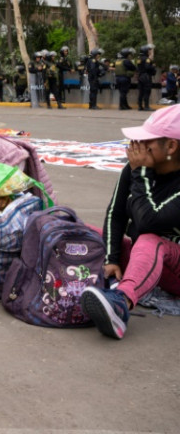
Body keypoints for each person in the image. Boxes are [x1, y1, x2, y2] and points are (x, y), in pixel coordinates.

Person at [81, 105, 180, 339]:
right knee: (83, 231)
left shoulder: (141, 171)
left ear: (171, 146)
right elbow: (115, 214)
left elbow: (148, 222)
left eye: (145, 141)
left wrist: (142, 175)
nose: (134, 146)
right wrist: (111, 258)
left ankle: (120, 302)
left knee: (148, 240)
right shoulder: (136, 169)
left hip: (174, 267)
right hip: (147, 261)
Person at [136, 45, 156, 111]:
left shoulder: (139, 59)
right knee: (147, 92)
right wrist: (153, 66)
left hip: (140, 76)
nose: (149, 52)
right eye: (149, 50)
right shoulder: (147, 59)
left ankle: (140, 106)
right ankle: (146, 106)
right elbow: (147, 67)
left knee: (141, 92)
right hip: (146, 76)